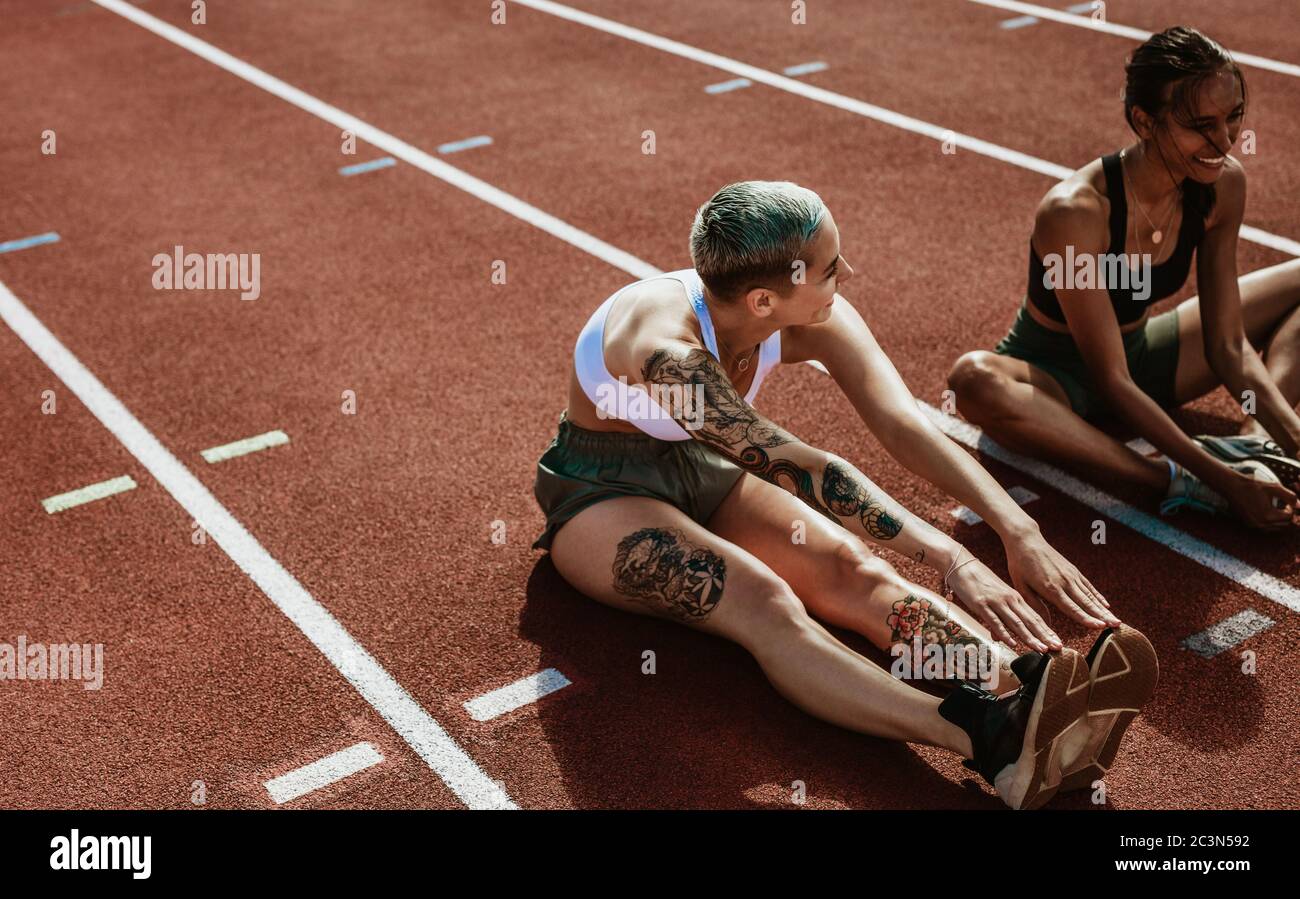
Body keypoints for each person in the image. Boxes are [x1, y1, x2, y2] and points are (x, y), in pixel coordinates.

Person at [531, 180, 1154, 808]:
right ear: (764, 299)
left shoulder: (805, 312)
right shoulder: (664, 349)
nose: (847, 273)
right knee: (765, 601)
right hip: (600, 491)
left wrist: (1017, 528)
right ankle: (991, 740)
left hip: (705, 465)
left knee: (851, 567)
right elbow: (804, 468)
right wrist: (953, 559)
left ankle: (1018, 688)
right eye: (831, 268)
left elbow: (904, 424)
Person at [948, 26, 1300, 528]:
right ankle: (1171, 478)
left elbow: (1226, 344)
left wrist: (1291, 438)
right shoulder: (1075, 211)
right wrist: (1222, 482)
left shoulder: (1224, 184)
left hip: (1144, 356)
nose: (1223, 141)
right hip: (1054, 381)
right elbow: (1110, 380)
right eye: (1201, 125)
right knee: (973, 382)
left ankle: (1254, 443)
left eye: (1234, 117)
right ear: (1144, 120)